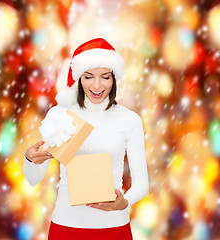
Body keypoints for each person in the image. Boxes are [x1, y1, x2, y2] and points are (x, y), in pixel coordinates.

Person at [23, 38, 149, 240]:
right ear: (79, 78)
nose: (97, 86)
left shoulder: (130, 120)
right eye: (89, 77)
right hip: (66, 226)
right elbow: (33, 178)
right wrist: (30, 160)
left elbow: (142, 183)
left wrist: (125, 202)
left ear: (114, 78)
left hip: (113, 227)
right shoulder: (61, 115)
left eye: (105, 77)